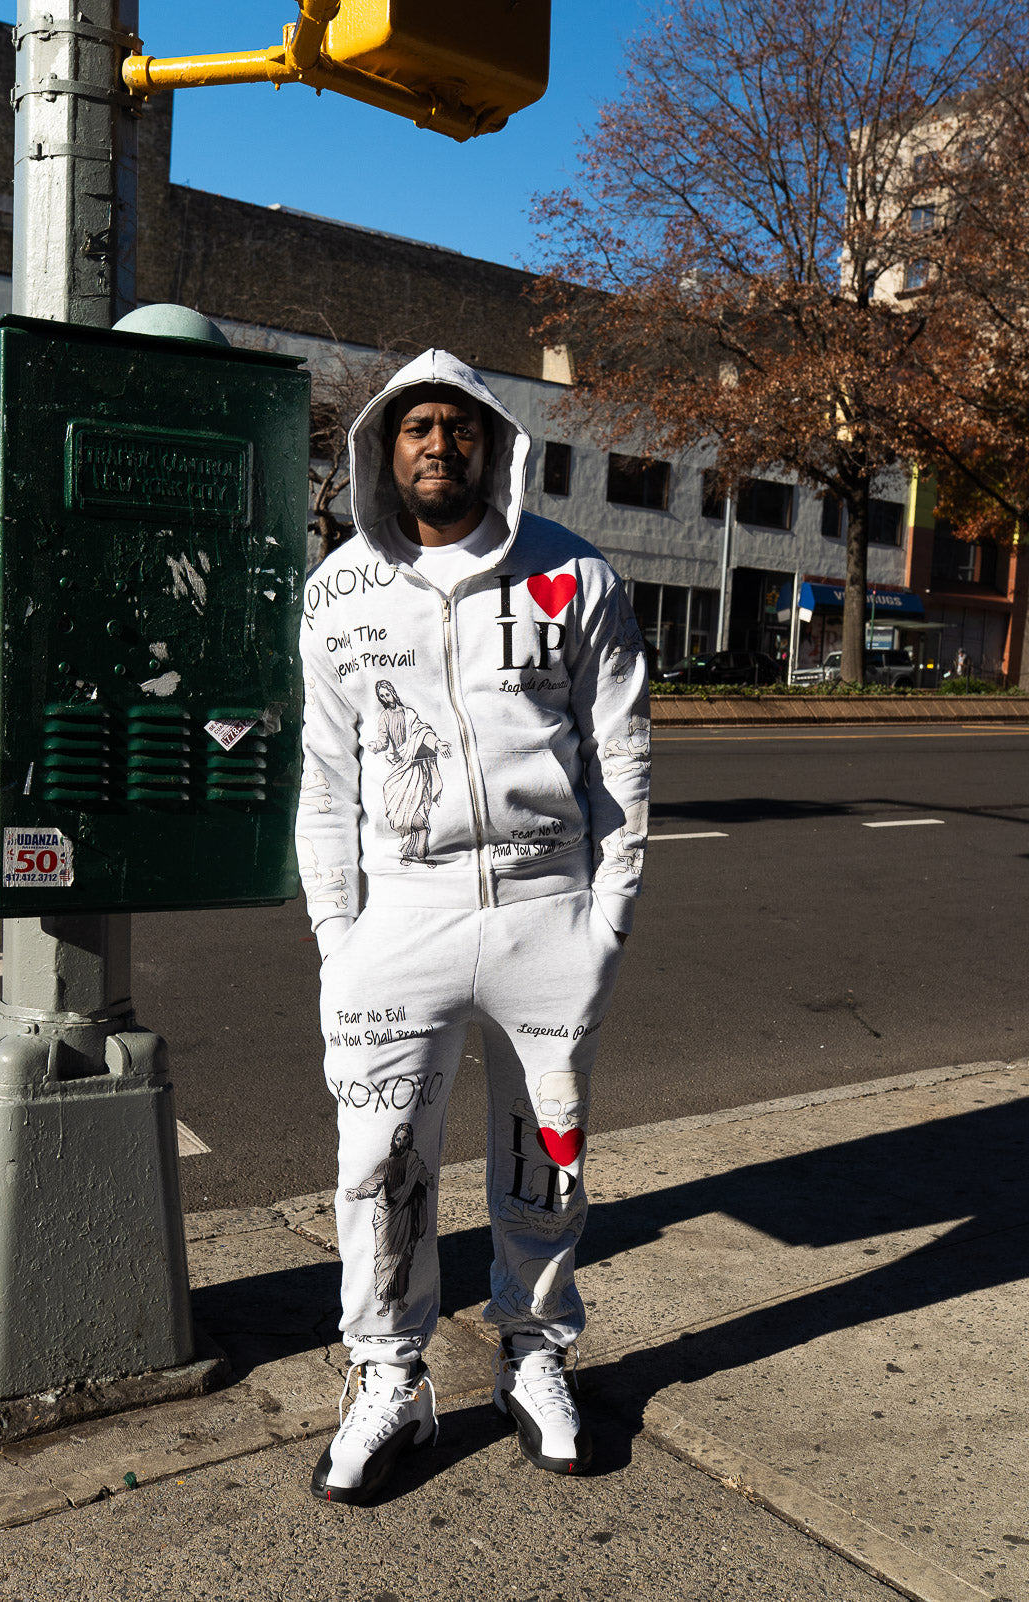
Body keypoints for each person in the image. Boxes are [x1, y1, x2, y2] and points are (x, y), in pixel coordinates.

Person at [296, 349, 649, 1504]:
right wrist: (338, 941)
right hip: (401, 920)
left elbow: (623, 760)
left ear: (495, 442)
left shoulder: (575, 575)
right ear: (380, 451)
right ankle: (389, 1376)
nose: (437, 443)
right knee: (376, 1167)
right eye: (414, 427)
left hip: (548, 911)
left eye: (458, 424)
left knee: (546, 1162)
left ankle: (535, 1355)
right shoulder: (339, 591)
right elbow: (327, 781)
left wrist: (605, 923)